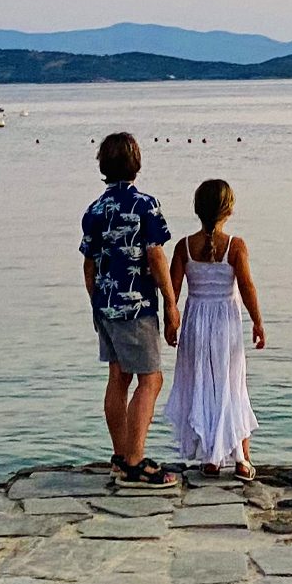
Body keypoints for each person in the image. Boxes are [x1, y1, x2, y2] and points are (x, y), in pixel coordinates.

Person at [78, 132, 180, 488]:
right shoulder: (145, 206)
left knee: (118, 377)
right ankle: (135, 461)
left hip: (105, 305)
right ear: (136, 162)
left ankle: (121, 457)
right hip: (136, 305)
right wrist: (171, 303)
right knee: (151, 379)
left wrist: (96, 304)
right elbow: (155, 255)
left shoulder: (94, 211)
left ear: (103, 166)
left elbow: (89, 266)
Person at [162, 178, 266, 479]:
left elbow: (172, 289)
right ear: (229, 210)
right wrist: (258, 321)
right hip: (225, 324)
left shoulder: (184, 246)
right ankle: (242, 459)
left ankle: (212, 457)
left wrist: (171, 321)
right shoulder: (235, 246)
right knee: (232, 386)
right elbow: (246, 287)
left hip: (195, 322)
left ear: (198, 210)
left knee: (202, 385)